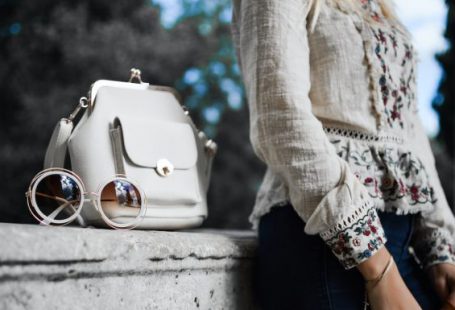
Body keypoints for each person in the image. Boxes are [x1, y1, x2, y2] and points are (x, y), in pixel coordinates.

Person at [230, 0, 455, 309]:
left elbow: (409, 133)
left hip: (399, 244)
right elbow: (279, 118)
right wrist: (378, 269)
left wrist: (439, 248)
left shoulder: (377, 5)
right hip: (324, 243)